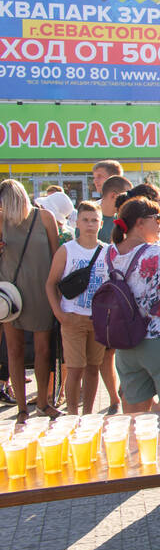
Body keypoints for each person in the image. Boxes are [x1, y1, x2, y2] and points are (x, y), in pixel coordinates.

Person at [91, 196, 160, 412]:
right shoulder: (155, 252)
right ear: (139, 222)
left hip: (126, 341)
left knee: (135, 414)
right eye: (156, 218)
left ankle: (136, 446)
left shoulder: (107, 253)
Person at [0, 179, 60, 423]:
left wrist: (57, 290)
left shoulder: (44, 217)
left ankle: (43, 403)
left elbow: (57, 255)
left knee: (43, 350)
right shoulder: (1, 220)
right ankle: (22, 408)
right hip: (10, 293)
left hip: (40, 289)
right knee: (13, 350)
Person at [44, 201, 107, 415]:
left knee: (93, 368)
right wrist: (59, 314)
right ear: (77, 222)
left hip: (97, 320)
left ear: (100, 223)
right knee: (75, 368)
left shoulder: (107, 251)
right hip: (72, 317)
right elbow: (51, 283)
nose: (90, 224)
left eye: (94, 220)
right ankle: (72, 414)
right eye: (85, 220)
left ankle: (88, 414)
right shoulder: (67, 250)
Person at [97, 176, 132, 244]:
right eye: (126, 196)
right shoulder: (89, 219)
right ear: (113, 196)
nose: (129, 200)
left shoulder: (125, 221)